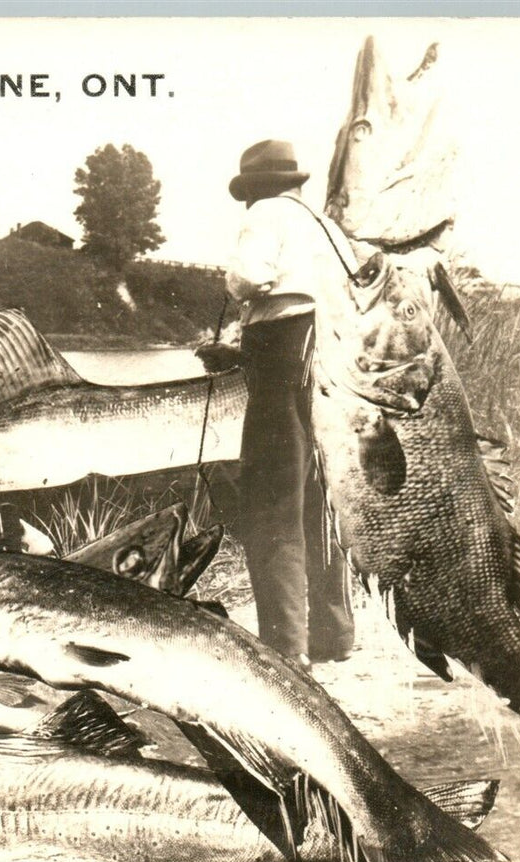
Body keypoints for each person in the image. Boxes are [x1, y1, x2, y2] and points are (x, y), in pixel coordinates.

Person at [199, 139, 354, 671]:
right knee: (321, 498)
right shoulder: (327, 227)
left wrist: (234, 290)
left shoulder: (266, 214)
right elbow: (311, 300)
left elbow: (250, 277)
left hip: (283, 360)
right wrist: (240, 353)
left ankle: (287, 647)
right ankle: (335, 633)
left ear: (256, 188)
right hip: (332, 359)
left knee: (271, 501)